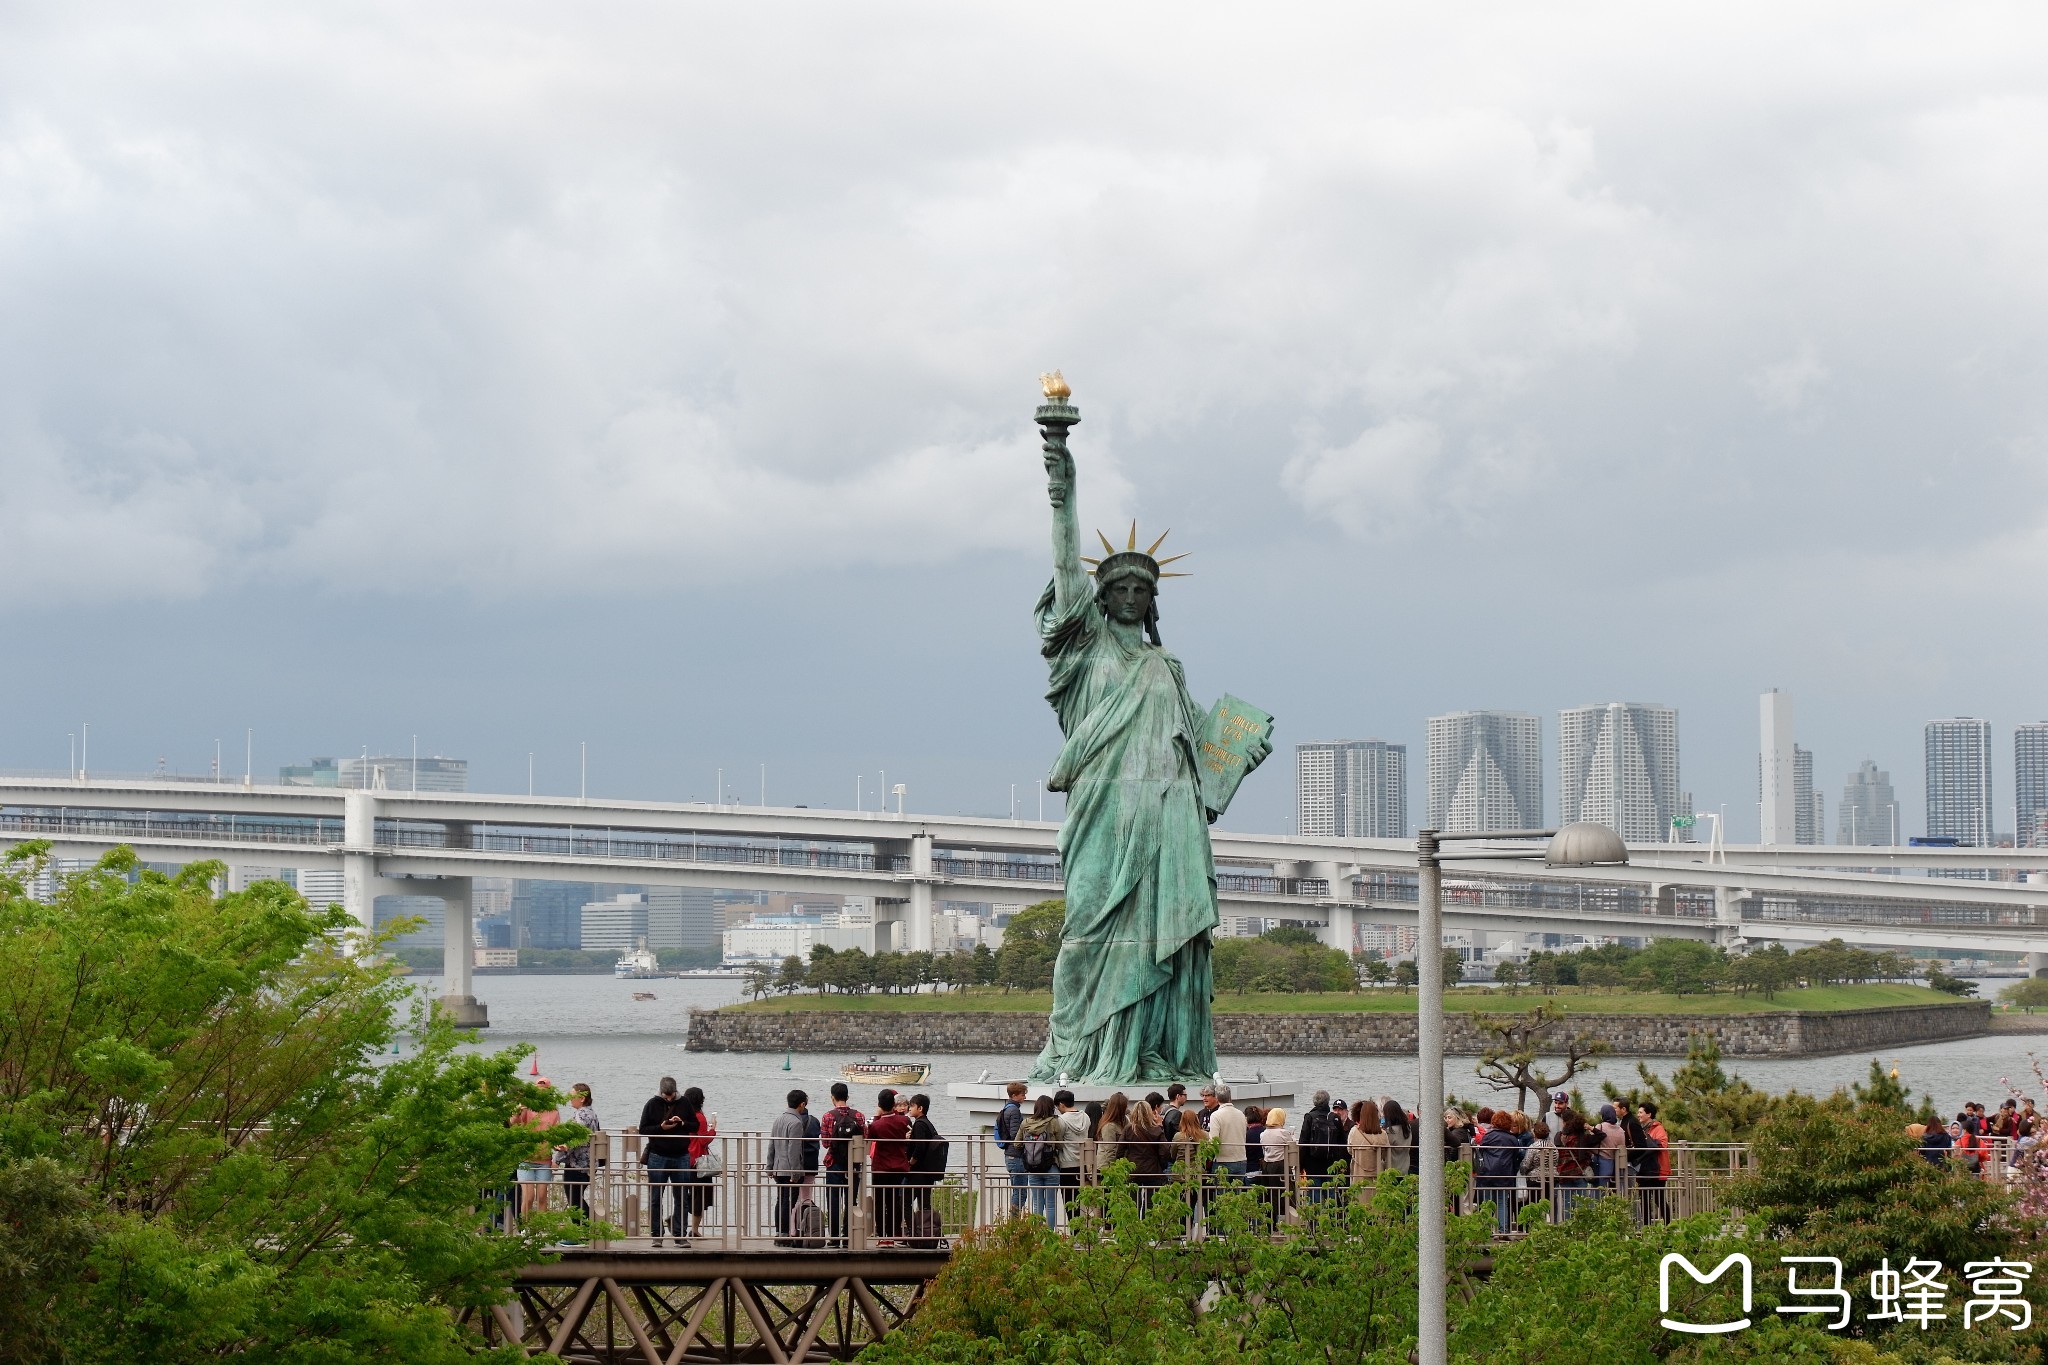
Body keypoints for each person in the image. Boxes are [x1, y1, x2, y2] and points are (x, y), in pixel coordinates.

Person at [1028, 408, 1271, 1087]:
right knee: (1087, 928)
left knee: (1170, 934)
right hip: (1104, 808)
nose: (1132, 596)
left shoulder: (1168, 666)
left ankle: (1156, 1050)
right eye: (1120, 588)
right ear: (1100, 597)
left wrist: (1239, 751)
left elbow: (1204, 750)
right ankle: (1084, 1051)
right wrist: (1059, 466)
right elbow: (1062, 554)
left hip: (1167, 817)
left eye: (1143, 589)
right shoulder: (1085, 647)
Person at [637, 1077, 695, 1246]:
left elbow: (695, 1125)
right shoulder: (652, 1104)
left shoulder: (684, 1103)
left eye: (671, 1095)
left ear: (676, 1091)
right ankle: (657, 1234)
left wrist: (682, 1123)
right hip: (657, 1155)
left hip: (681, 1155)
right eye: (666, 1095)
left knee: (682, 1197)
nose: (669, 1099)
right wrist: (660, 1128)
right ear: (661, 1092)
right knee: (655, 1197)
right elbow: (643, 1129)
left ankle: (680, 1234)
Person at [818, 1082, 868, 1246]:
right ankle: (848, 1236)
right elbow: (864, 1139)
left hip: (834, 1163)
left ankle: (833, 1238)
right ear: (847, 1097)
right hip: (853, 1163)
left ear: (832, 1097)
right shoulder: (859, 1116)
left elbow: (825, 1143)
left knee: (833, 1199)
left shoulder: (828, 1116)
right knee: (851, 1200)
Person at [511, 1079, 562, 1222]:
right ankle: (524, 1228)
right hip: (526, 1159)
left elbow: (557, 1134)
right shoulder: (527, 1107)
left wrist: (558, 1154)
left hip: (544, 1159)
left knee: (542, 1196)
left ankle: (540, 1228)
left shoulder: (553, 1111)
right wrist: (517, 1112)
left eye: (544, 1091)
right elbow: (513, 1123)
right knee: (528, 1197)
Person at [867, 1088, 914, 1240]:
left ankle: (882, 1235)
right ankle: (894, 1232)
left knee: (880, 1202)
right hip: (899, 1166)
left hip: (881, 1167)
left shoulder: (876, 1125)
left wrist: (876, 1115)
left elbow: (869, 1138)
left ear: (880, 1105)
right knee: (895, 1201)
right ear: (894, 1104)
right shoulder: (904, 1121)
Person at [769, 1089, 812, 1240]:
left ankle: (779, 1232)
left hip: (778, 1167)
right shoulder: (796, 1122)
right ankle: (786, 1233)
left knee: (780, 1200)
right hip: (789, 1170)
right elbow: (793, 1149)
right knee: (789, 1202)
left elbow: (771, 1144)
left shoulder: (778, 1120)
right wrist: (795, 1172)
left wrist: (769, 1166)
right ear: (802, 1104)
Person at [1472, 1107, 1522, 1234]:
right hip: (1505, 1175)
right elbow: (1516, 1155)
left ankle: (1485, 1229)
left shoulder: (1489, 1136)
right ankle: (1503, 1230)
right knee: (1502, 1202)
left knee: (1487, 1203)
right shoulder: (1512, 1139)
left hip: (1487, 1173)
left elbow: (1481, 1151)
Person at [1016, 1095, 1064, 1223]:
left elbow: (1017, 1144)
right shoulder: (1053, 1122)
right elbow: (1060, 1145)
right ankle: (1049, 1238)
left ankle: (1037, 1236)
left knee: (1037, 1204)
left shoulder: (1026, 1123)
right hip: (1051, 1167)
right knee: (1051, 1205)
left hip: (1032, 1168)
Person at [679, 1087, 717, 1241]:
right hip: (699, 1161)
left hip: (684, 1158)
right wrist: (713, 1129)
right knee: (700, 1195)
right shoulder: (699, 1117)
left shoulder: (683, 1116)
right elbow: (703, 1140)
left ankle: (678, 1225)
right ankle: (694, 1229)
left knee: (685, 1194)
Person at [559, 1083, 601, 1221]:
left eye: (572, 1096)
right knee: (576, 1197)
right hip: (588, 1163)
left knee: (574, 1198)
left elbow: (576, 1136)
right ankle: (587, 1228)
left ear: (582, 1098)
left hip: (578, 1164)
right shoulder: (591, 1113)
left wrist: (561, 1152)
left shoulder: (582, 1114)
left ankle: (584, 1229)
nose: (570, 1099)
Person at [1297, 1090, 1347, 1204]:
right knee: (1331, 1196)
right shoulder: (1334, 1117)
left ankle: (1315, 1221)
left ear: (1314, 1102)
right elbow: (1342, 1143)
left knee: (1315, 1197)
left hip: (1313, 1164)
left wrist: (1301, 1165)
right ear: (1328, 1102)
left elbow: (1303, 1142)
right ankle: (1333, 1220)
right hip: (1331, 1165)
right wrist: (1340, 1164)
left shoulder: (1309, 1117)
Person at [905, 1093, 947, 1226]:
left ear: (920, 1108)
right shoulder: (928, 1124)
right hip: (928, 1171)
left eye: (912, 1106)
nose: (909, 1109)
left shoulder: (919, 1124)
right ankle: (926, 1231)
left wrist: (911, 1162)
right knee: (924, 1204)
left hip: (918, 1172)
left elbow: (920, 1147)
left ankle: (913, 1231)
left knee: (904, 1202)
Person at [993, 1080, 1031, 1214]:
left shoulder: (1006, 1109)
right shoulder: (1014, 1111)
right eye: (1022, 1094)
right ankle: (1014, 1224)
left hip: (1009, 1155)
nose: (1024, 1097)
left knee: (1017, 1191)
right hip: (1016, 1156)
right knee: (1020, 1193)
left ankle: (1014, 1223)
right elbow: (1016, 1135)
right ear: (1014, 1095)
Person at [1053, 1090, 1090, 1223]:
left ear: (1062, 1104)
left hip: (1067, 1164)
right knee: (1082, 1201)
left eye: (1058, 1107)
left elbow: (1059, 1142)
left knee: (1069, 1201)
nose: (1058, 1110)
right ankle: (1083, 1232)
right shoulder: (1085, 1117)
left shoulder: (1061, 1120)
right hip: (1083, 1164)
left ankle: (1074, 1232)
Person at [1623, 1111, 1666, 1223]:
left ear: (1649, 1114)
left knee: (1658, 1199)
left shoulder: (1657, 1128)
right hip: (1643, 1168)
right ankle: (1646, 1226)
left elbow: (1662, 1144)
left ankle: (1668, 1225)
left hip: (1655, 1169)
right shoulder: (1641, 1128)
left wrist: (1649, 1140)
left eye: (1641, 1112)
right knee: (1644, 1199)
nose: (1638, 1114)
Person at [1124, 1100, 1168, 1207]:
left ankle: (1133, 1223)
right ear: (1149, 1112)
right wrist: (1161, 1165)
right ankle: (1148, 1223)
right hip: (1152, 1169)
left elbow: (1120, 1150)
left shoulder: (1128, 1129)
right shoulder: (1156, 1129)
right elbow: (1165, 1150)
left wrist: (1124, 1166)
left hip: (1133, 1169)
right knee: (1151, 1203)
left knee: (1132, 1203)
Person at [1347, 1101, 1392, 1205]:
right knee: (1376, 1207)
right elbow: (1386, 1154)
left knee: (1360, 1206)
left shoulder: (1354, 1132)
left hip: (1359, 1175)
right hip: (1377, 1176)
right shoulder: (1383, 1134)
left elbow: (1349, 1150)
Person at [1209, 1086, 1249, 1181]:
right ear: (1230, 1097)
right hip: (1241, 1159)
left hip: (1223, 1160)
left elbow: (1214, 1141)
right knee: (1238, 1193)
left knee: (1221, 1193)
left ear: (1217, 1098)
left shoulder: (1216, 1115)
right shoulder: (1241, 1114)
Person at [1097, 1091, 1130, 1170]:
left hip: (1119, 1165)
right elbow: (1110, 1151)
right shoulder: (1109, 1126)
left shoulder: (1125, 1121)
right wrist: (1114, 1170)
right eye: (1125, 1106)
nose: (1127, 1108)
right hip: (1107, 1168)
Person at [1594, 1104, 1626, 1188]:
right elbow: (1622, 1146)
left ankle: (1598, 1200)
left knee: (1599, 1185)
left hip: (1601, 1160)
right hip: (1615, 1161)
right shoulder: (1620, 1130)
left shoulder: (1600, 1127)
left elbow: (1592, 1141)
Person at [1380, 1098, 1413, 1176]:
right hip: (1405, 1168)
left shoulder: (1390, 1131)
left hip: (1392, 1169)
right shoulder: (1407, 1128)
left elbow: (1384, 1149)